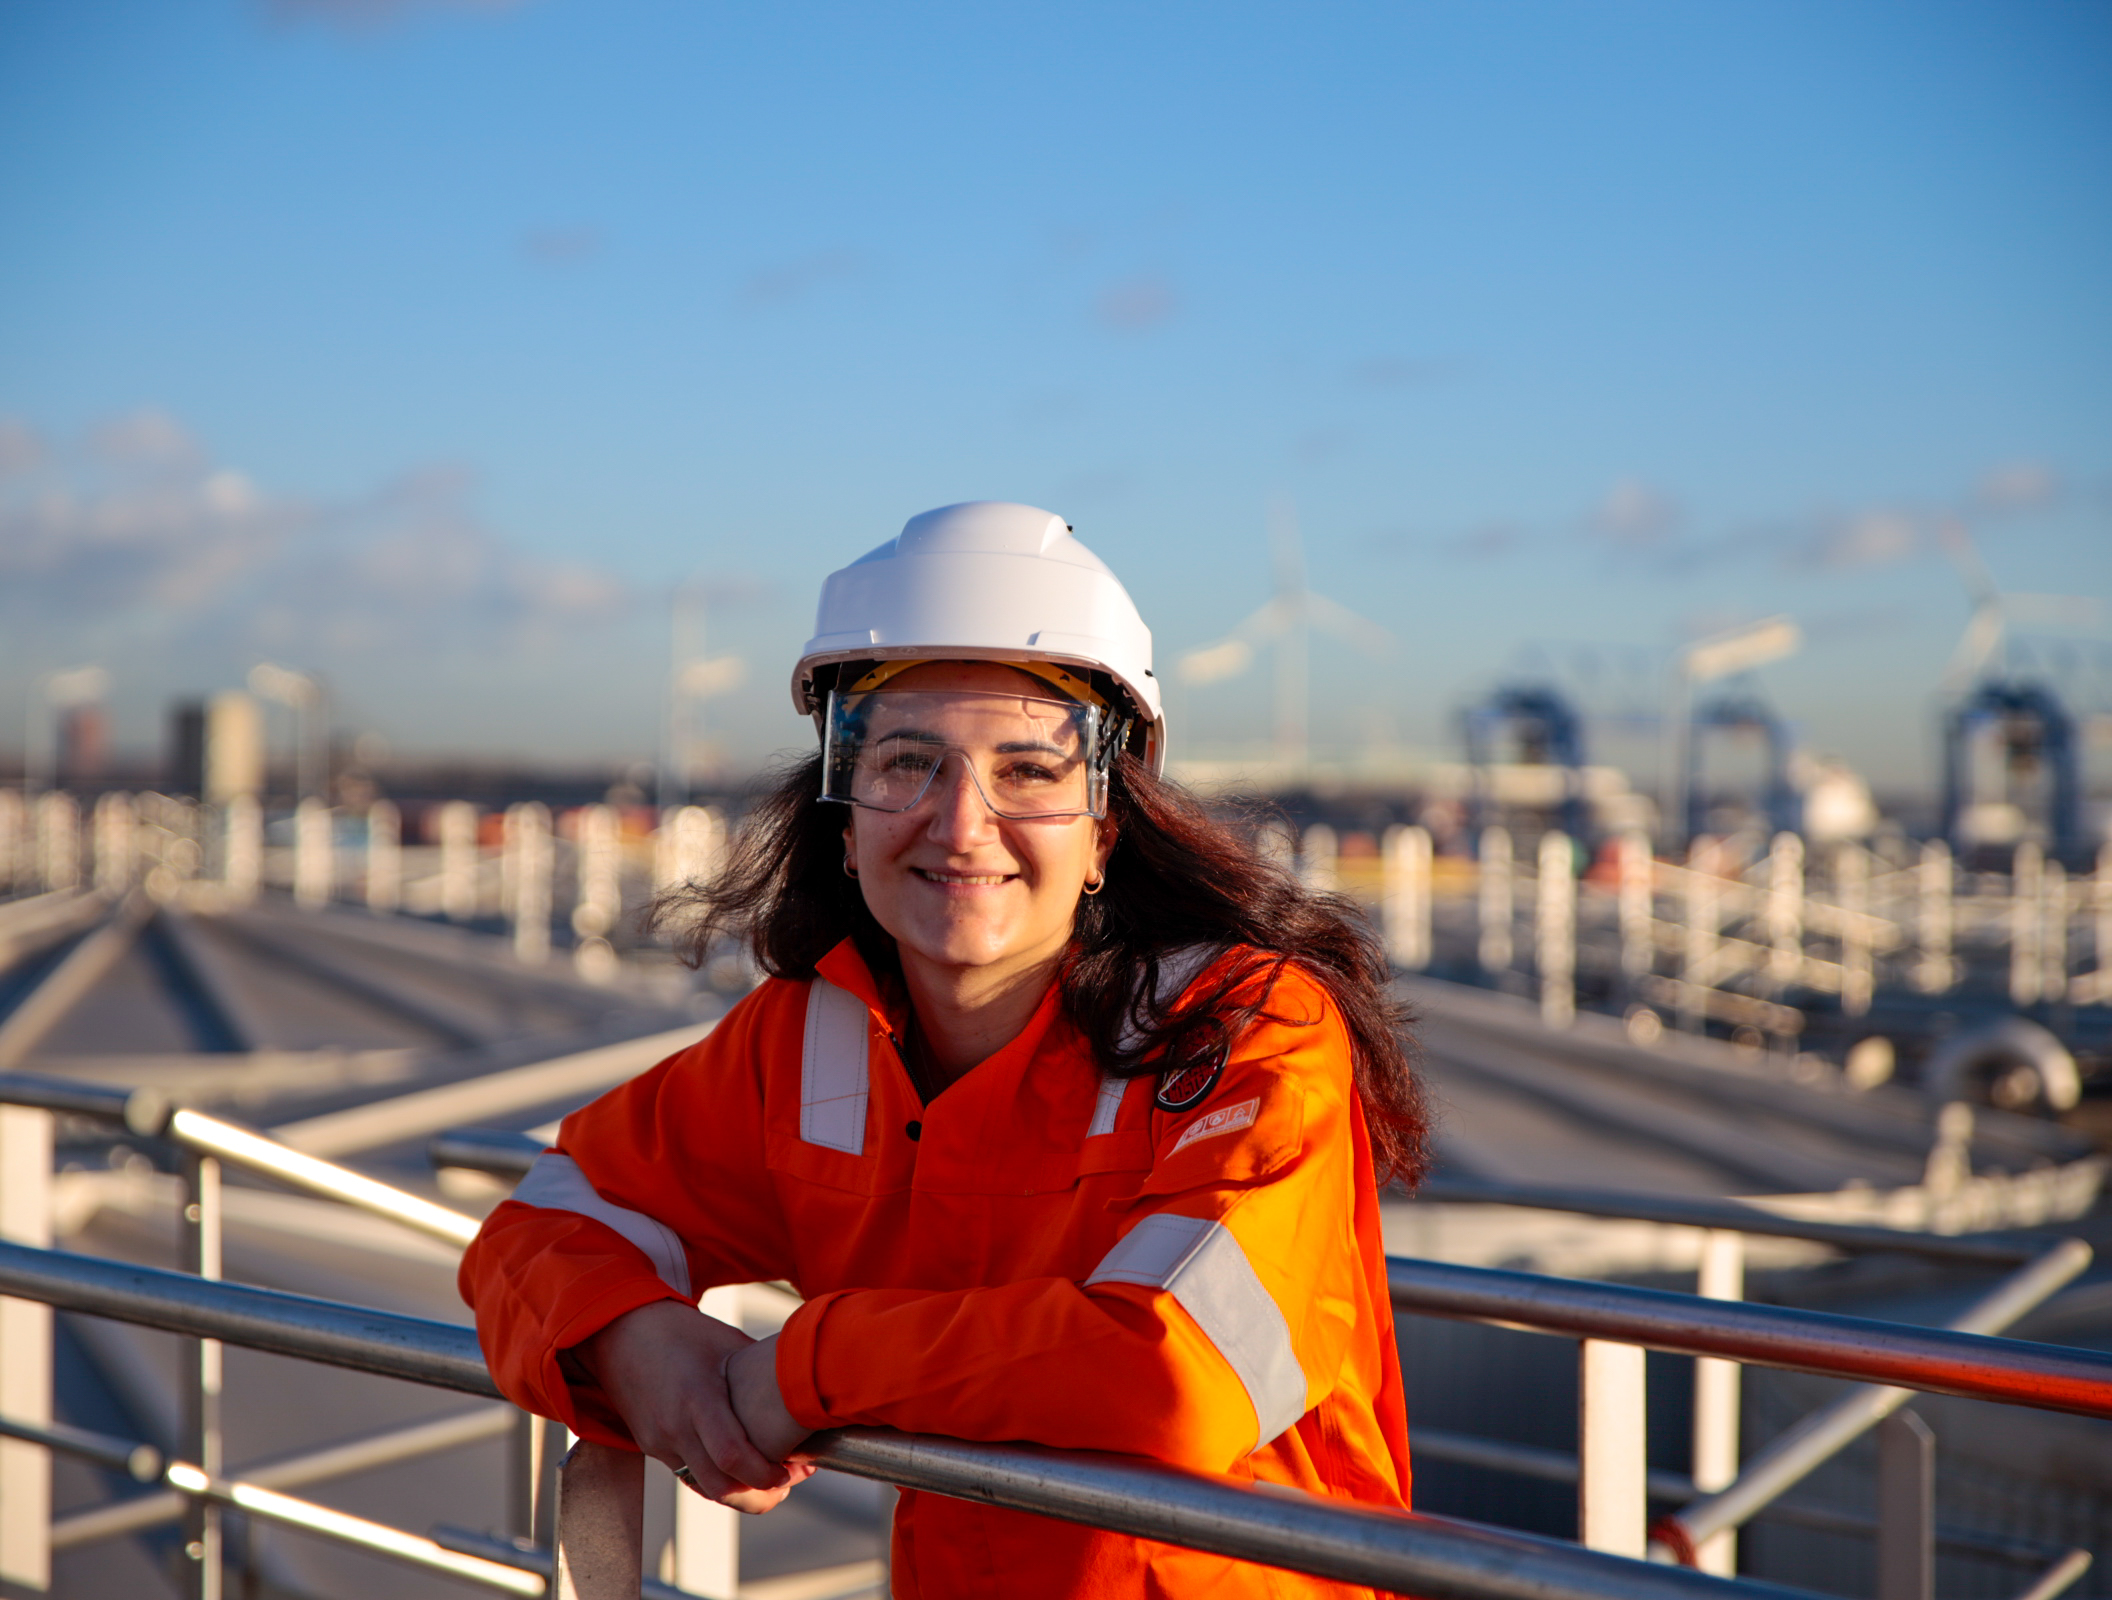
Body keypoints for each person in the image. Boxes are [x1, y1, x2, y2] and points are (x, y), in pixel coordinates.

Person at [461, 500, 1429, 1598]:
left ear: (1106, 825)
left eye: (1028, 770)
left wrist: (805, 1368)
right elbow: (539, 1225)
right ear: (845, 814)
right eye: (907, 762)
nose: (961, 824)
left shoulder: (1243, 1032)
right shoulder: (808, 1047)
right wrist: (633, 1343)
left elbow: (1177, 1372)